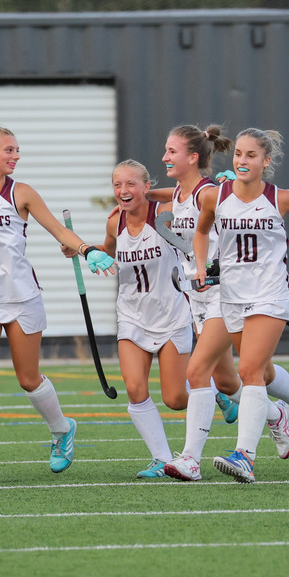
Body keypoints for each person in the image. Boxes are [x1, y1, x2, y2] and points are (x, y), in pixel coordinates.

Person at [0, 127, 116, 481]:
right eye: (9, 150)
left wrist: (88, 249)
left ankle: (62, 429)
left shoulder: (22, 193)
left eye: (17, 150)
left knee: (28, 378)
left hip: (21, 297)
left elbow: (57, 230)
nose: (16, 156)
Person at [190, 128, 289, 483]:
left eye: (251, 155)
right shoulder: (215, 196)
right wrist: (204, 265)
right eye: (238, 154)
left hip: (270, 294)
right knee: (261, 372)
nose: (242, 161)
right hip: (232, 296)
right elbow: (202, 232)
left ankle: (245, 457)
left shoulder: (281, 198)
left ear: (266, 161)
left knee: (248, 370)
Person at [73, 160, 192, 478]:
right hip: (132, 315)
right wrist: (84, 251)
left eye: (130, 184)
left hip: (171, 314)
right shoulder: (115, 221)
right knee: (135, 388)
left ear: (146, 186)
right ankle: (161, 459)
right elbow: (110, 251)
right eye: (117, 185)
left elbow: (195, 204)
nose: (123, 191)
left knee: (176, 399)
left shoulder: (166, 215)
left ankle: (211, 392)